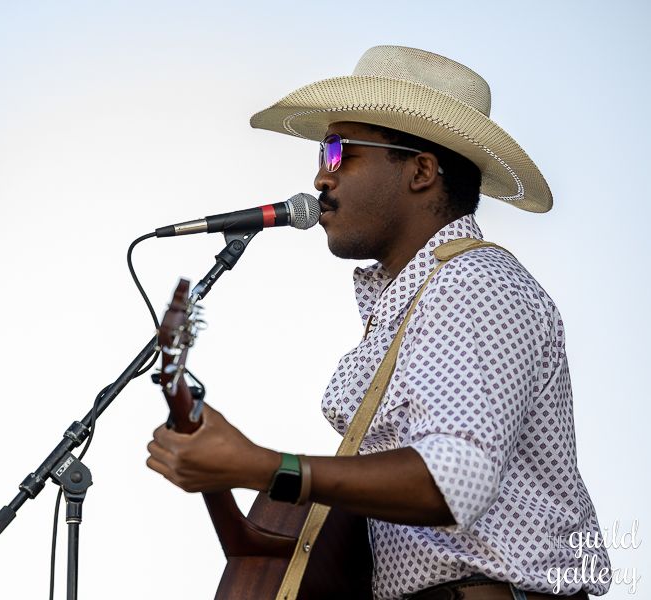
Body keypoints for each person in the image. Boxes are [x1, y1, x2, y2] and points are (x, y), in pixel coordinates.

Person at [145, 45, 610, 599]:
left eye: (340, 151)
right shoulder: (409, 304)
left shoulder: (475, 281)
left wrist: (261, 466)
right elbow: (305, 559)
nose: (320, 177)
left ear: (420, 171)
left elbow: (449, 480)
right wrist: (225, 473)